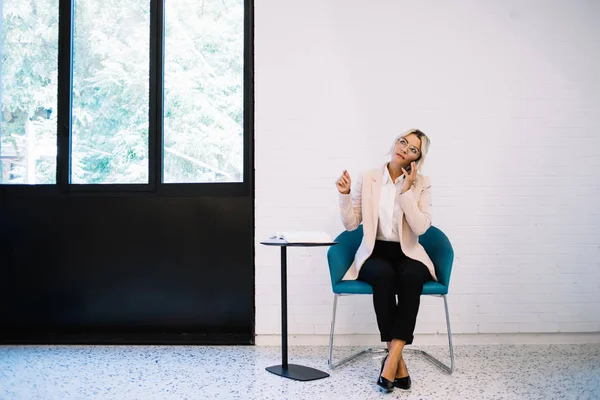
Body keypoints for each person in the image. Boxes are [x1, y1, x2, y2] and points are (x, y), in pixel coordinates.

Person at [335, 128, 436, 393]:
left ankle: (391, 358)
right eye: (403, 141)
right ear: (395, 142)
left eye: (412, 148)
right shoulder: (368, 178)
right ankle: (397, 362)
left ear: (417, 158)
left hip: (407, 252)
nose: (404, 148)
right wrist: (344, 195)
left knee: (412, 277)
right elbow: (350, 224)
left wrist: (406, 191)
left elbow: (422, 227)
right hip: (374, 252)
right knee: (383, 276)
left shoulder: (421, 182)